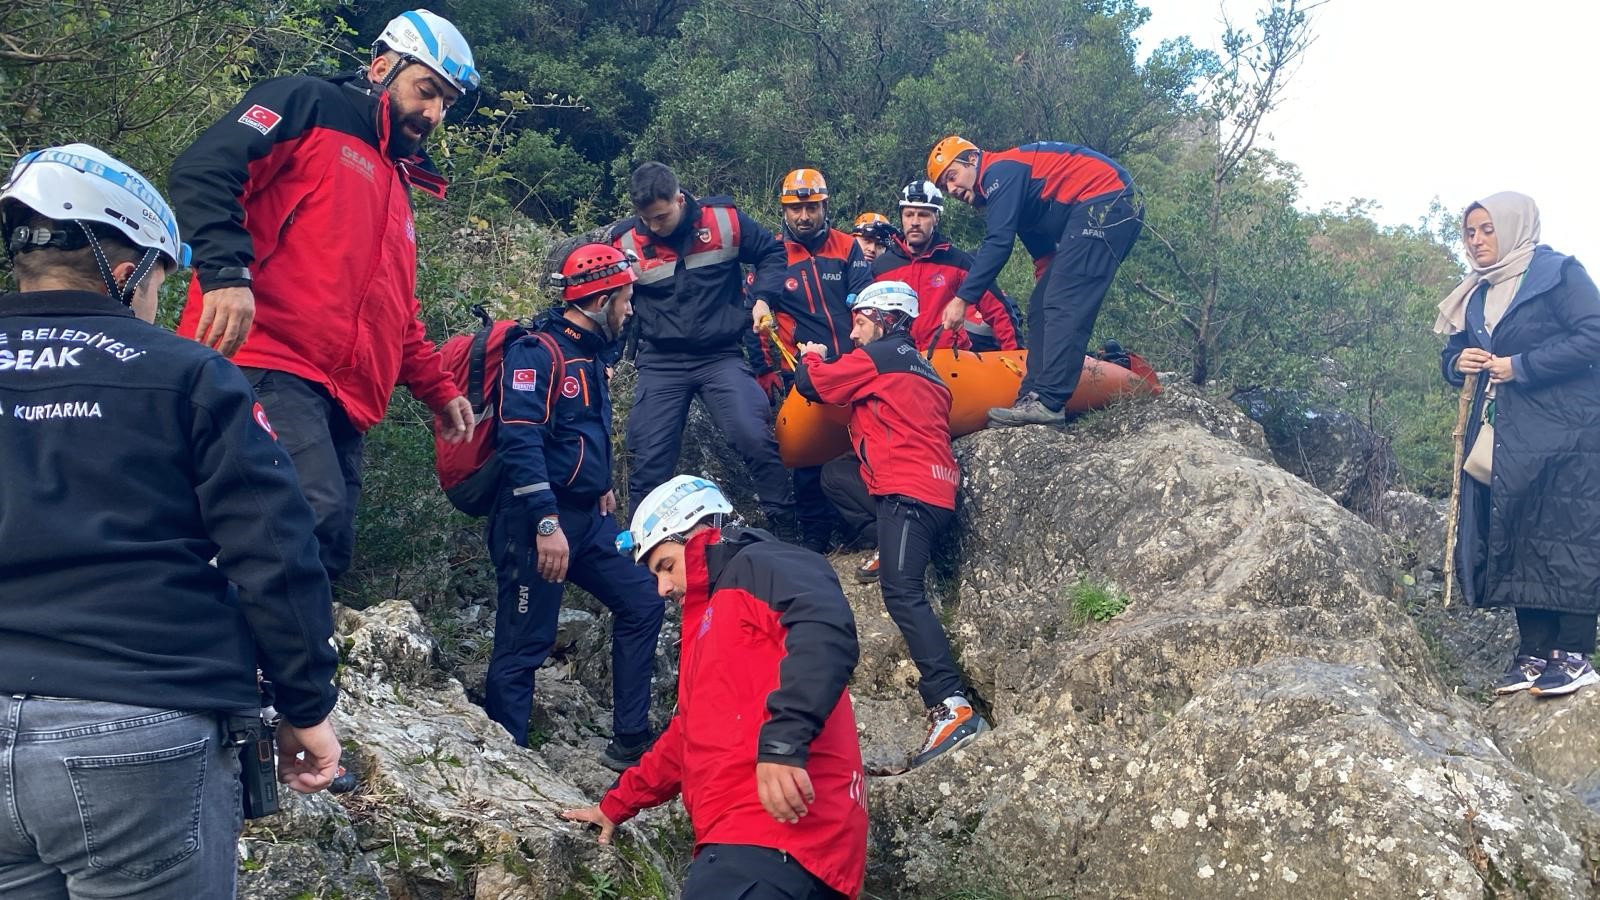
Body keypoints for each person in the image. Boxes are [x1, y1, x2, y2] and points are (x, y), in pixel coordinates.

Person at [0, 144, 341, 895]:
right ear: (129, 271)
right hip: (136, 722)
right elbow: (275, 548)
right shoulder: (186, 373)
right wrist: (306, 704)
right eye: (162, 275)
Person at [168, 9, 479, 583]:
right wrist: (226, 275)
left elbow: (396, 313)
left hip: (344, 397)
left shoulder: (398, 185)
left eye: (446, 104)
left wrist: (441, 391)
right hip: (264, 356)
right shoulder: (308, 103)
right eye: (427, 91)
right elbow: (205, 169)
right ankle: (204, 649)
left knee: (329, 548)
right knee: (304, 513)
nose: (433, 113)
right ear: (382, 66)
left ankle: (274, 669)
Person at [562, 476, 867, 899]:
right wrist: (615, 805)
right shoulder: (709, 621)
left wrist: (782, 744)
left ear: (692, 534)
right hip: (774, 848)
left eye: (665, 566)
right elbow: (689, 737)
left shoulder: (758, 563)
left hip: (766, 838)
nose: (662, 588)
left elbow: (824, 625)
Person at [485, 241, 665, 769]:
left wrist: (600, 483)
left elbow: (580, 432)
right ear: (600, 298)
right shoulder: (537, 352)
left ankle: (630, 739)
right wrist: (544, 522)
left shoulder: (592, 354)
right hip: (536, 521)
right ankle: (507, 762)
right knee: (525, 642)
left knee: (643, 600)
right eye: (625, 299)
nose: (630, 310)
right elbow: (519, 440)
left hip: (587, 517)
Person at [795, 281, 990, 767]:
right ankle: (887, 543)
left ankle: (951, 703)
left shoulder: (878, 355)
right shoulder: (925, 369)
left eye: (859, 321)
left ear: (882, 318)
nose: (854, 333)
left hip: (909, 494)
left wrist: (812, 356)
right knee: (836, 475)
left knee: (902, 592)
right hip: (936, 489)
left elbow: (812, 386)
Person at [1437, 192, 1600, 697]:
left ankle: (1574, 654)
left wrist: (1522, 366)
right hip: (1511, 436)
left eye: (1488, 230)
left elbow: (1594, 334)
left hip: (1571, 432)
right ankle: (1533, 653)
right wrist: (1455, 363)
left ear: (1513, 227)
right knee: (1521, 533)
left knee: (1570, 534)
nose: (1478, 241)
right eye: (1470, 232)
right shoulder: (1478, 293)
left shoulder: (1558, 274)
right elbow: (1456, 349)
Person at [609, 162, 798, 534]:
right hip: (661, 361)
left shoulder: (724, 222)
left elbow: (772, 255)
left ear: (680, 199)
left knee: (753, 435)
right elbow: (612, 305)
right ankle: (642, 546)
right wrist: (608, 358)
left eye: (661, 217)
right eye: (646, 219)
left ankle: (787, 526)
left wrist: (762, 299)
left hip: (720, 355)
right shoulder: (625, 242)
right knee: (648, 455)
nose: (654, 227)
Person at [928, 136, 1142, 425]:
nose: (952, 189)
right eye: (944, 186)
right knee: (1042, 305)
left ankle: (1050, 403)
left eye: (952, 177)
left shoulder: (998, 173)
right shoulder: (1011, 187)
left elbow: (998, 243)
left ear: (973, 159)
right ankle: (1032, 397)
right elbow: (1044, 255)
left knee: (1061, 303)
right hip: (1100, 206)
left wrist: (962, 299)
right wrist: (1044, 292)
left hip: (1108, 199)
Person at [767, 169, 873, 552]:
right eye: (796, 209)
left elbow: (865, 298)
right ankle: (814, 536)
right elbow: (760, 316)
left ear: (825, 205)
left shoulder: (847, 246)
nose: (804, 216)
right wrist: (767, 372)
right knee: (807, 453)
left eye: (812, 207)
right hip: (802, 371)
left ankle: (860, 523)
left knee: (861, 444)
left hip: (851, 364)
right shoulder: (774, 255)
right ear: (785, 211)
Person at [872, 178, 1020, 353]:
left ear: (936, 218)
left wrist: (1015, 356)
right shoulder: (881, 267)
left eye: (924, 215)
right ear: (901, 217)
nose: (915, 222)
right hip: (899, 361)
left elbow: (998, 311)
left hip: (951, 359)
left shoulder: (959, 262)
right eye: (909, 214)